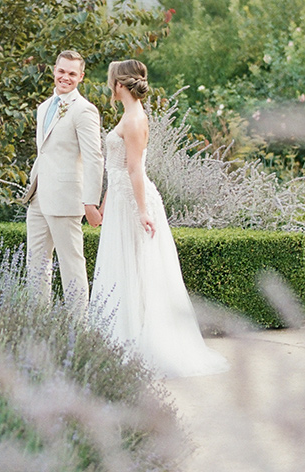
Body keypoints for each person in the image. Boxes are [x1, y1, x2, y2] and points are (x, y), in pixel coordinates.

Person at [91, 60, 228, 377]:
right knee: (127, 269)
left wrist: (142, 211)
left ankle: (140, 346)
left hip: (134, 202)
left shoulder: (135, 119)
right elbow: (117, 168)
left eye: (111, 81)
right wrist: (104, 204)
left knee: (140, 271)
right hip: (121, 200)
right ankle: (123, 342)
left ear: (118, 85)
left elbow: (135, 168)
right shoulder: (128, 116)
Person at [24, 50, 104, 319]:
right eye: (62, 71)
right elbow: (44, 152)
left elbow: (94, 159)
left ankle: (78, 327)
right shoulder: (43, 107)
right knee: (36, 263)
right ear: (54, 71)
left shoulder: (84, 110)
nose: (65, 77)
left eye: (72, 73)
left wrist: (91, 202)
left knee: (71, 264)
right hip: (38, 197)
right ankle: (37, 322)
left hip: (66, 198)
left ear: (81, 77)